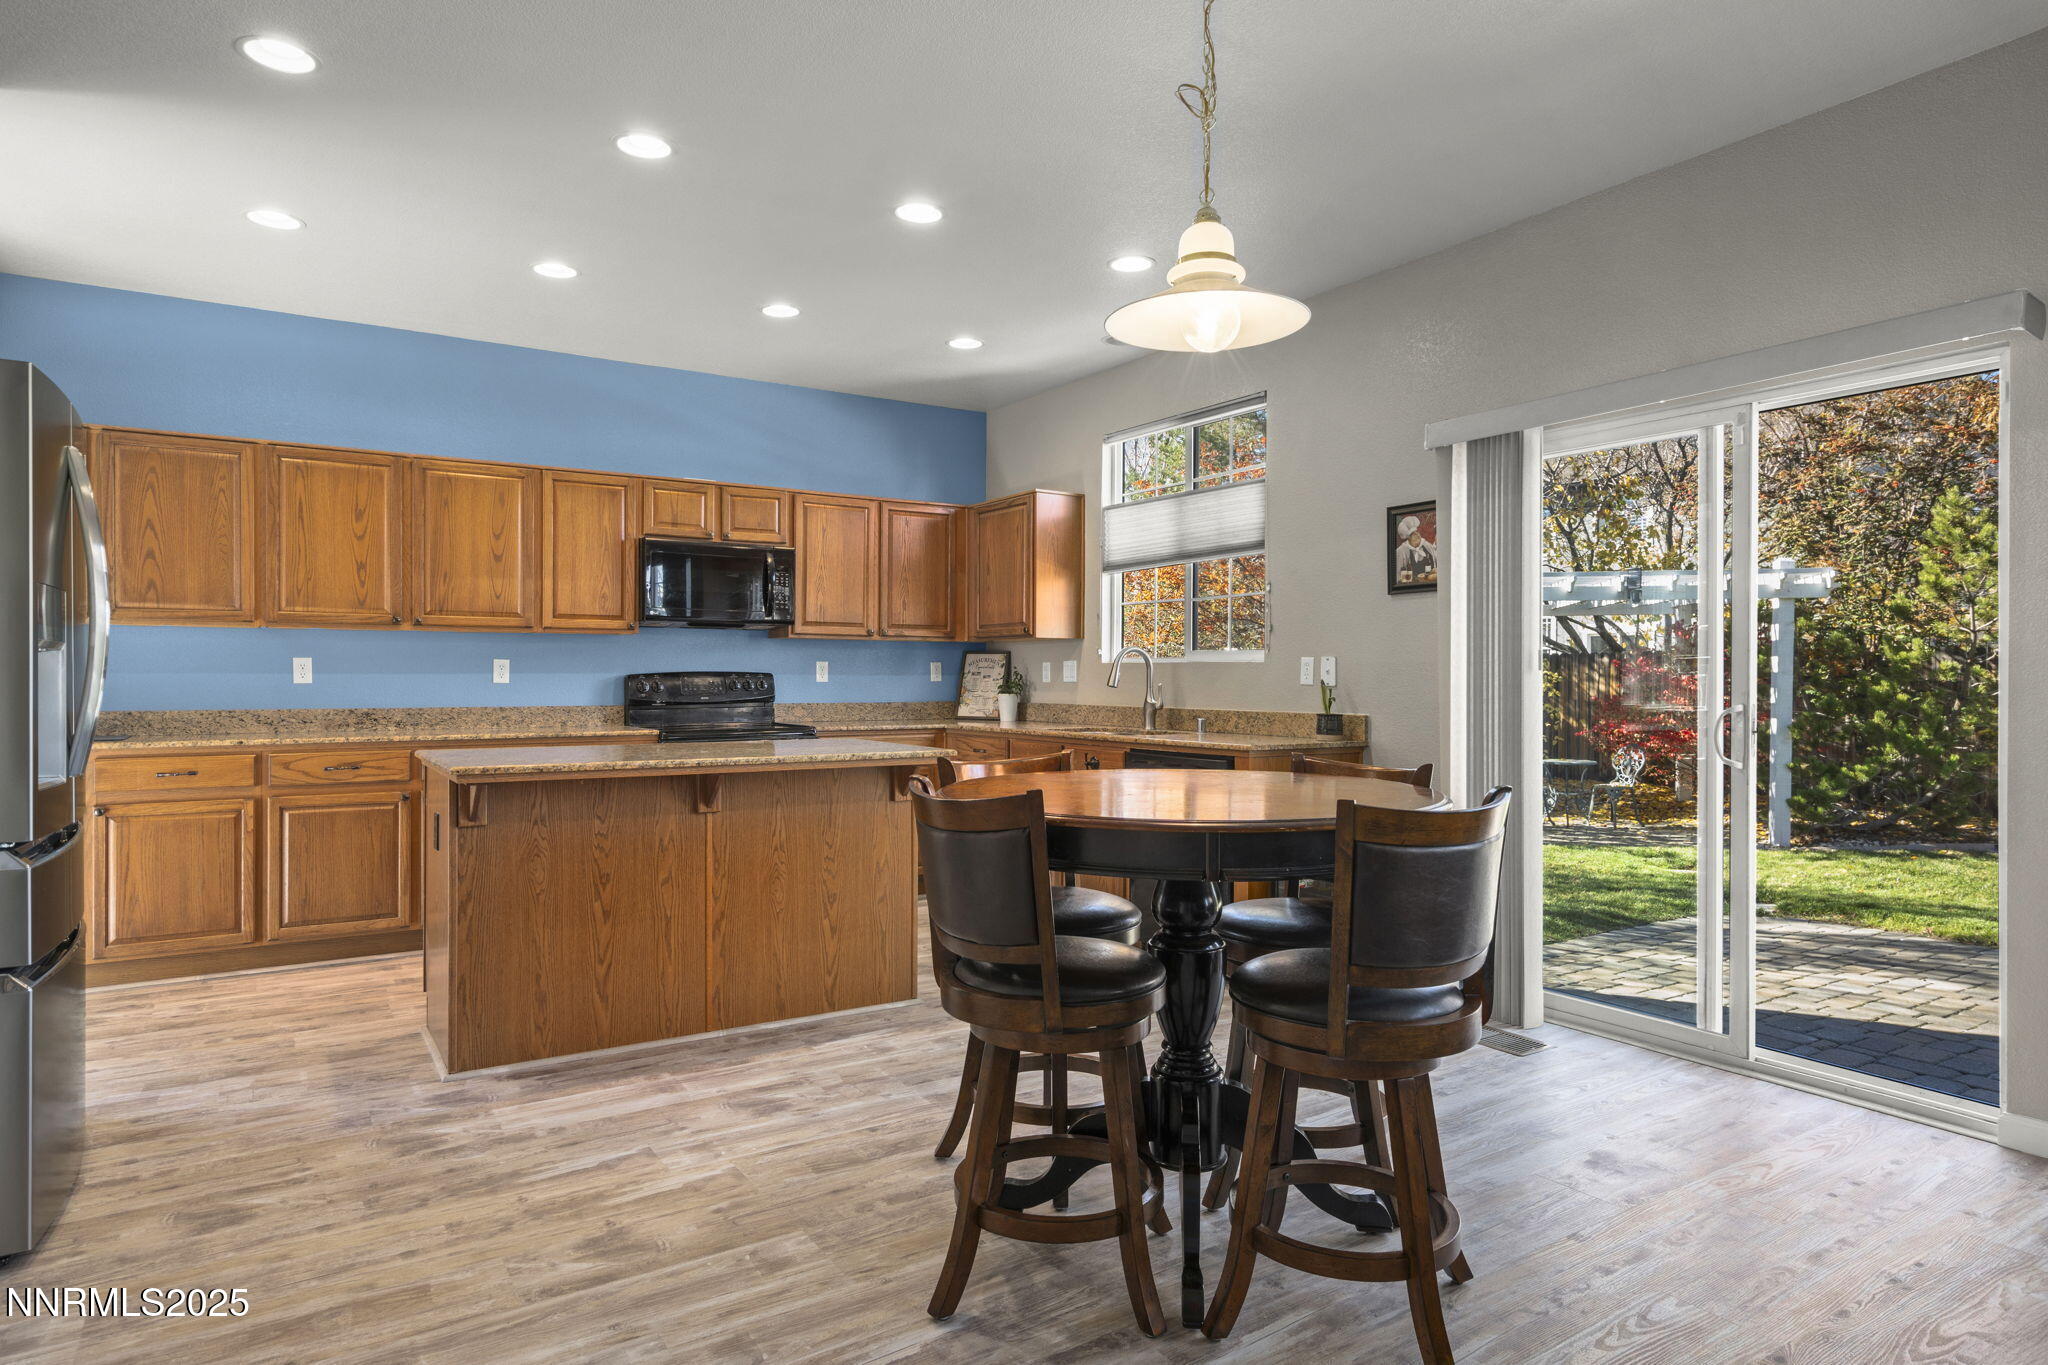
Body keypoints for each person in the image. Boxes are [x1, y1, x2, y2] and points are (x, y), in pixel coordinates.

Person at [1395, 514, 1437, 585]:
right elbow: (1399, 576)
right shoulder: (1402, 551)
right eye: (1412, 534)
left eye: (1416, 532)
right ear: (1408, 538)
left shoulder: (1427, 545)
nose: (1417, 535)